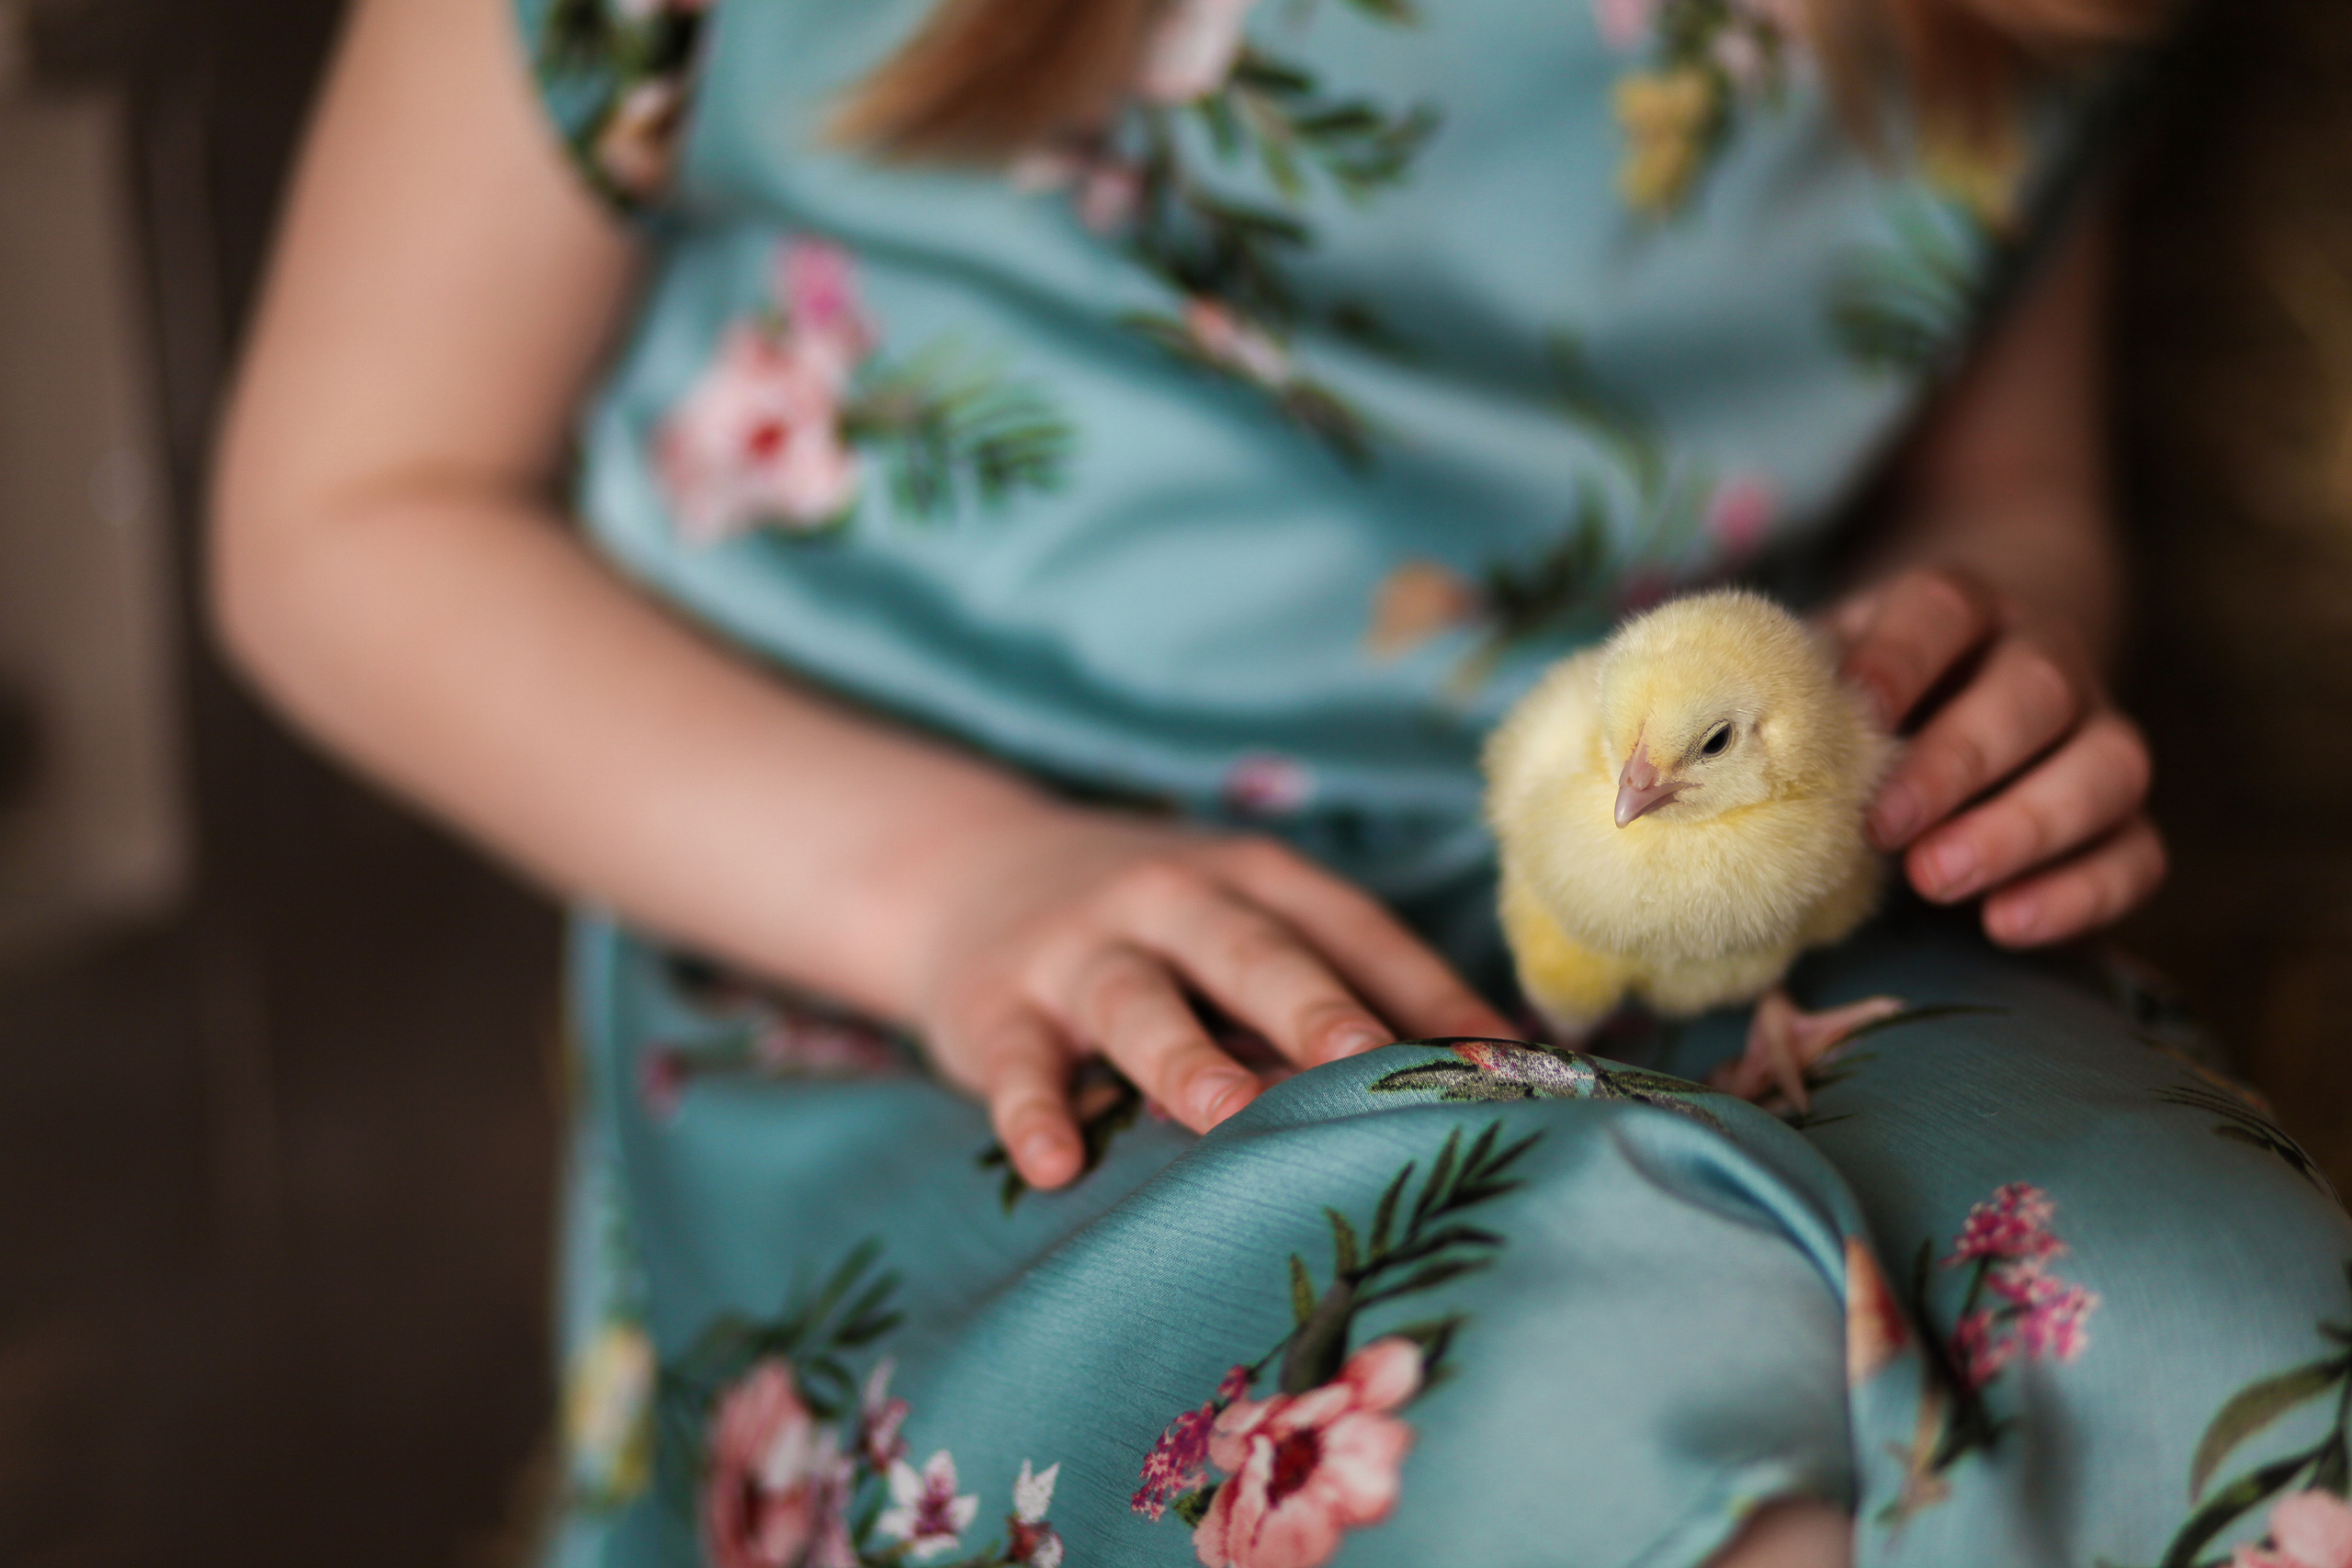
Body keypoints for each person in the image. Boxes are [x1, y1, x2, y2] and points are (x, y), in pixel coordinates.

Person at [209, 0, 2352, 1562]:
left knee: (2201, 1332)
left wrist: (1985, 647)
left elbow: (2002, 486)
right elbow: (344, 512)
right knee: (1541, 1397)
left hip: (1648, 875)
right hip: (929, 960)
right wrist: (942, 883)